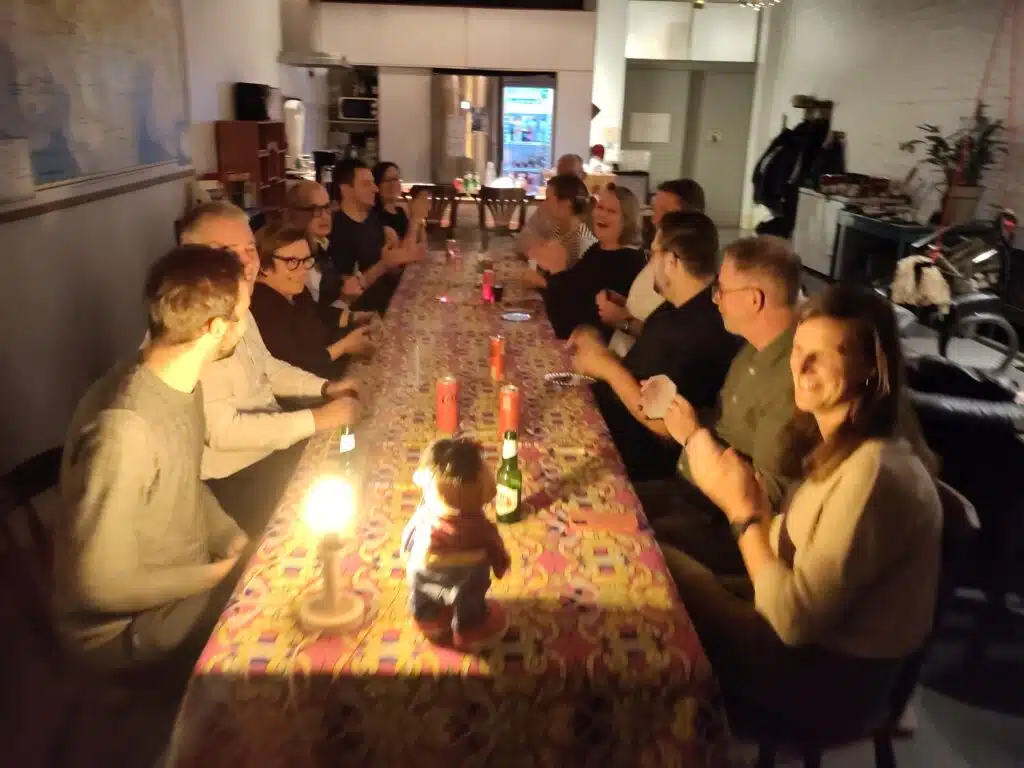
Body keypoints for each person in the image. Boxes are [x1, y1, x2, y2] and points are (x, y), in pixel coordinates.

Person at [662, 285, 942, 734]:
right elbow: (791, 550)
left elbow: (792, 622)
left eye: (823, 356)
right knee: (656, 565)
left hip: (827, 682)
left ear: (872, 367)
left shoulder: (872, 472)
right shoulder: (841, 442)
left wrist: (744, 514)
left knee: (655, 576)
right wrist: (751, 503)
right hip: (814, 644)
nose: (801, 367)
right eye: (798, 349)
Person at [55, 246, 251, 679]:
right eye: (242, 316)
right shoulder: (125, 429)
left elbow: (185, 483)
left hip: (184, 583)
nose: (244, 327)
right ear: (216, 328)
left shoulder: (178, 382)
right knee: (283, 623)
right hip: (131, 630)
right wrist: (215, 575)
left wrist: (231, 537)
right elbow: (98, 586)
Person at [179, 202, 362, 536]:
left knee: (361, 460)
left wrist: (325, 388)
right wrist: (319, 418)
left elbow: (269, 368)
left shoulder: (238, 303)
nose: (246, 262)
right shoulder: (191, 328)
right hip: (237, 479)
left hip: (275, 450)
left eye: (249, 249)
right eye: (227, 252)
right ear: (191, 259)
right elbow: (224, 433)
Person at [636, 236, 803, 575]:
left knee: (630, 541)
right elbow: (721, 423)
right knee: (609, 499)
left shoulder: (794, 378)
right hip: (690, 490)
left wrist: (692, 436)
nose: (714, 298)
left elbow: (764, 499)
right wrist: (675, 411)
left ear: (754, 299)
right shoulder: (750, 350)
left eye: (721, 289)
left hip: (728, 528)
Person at [570, 212, 742, 481]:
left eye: (653, 256)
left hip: (632, 457)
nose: (650, 265)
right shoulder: (685, 306)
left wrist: (606, 366)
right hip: (614, 419)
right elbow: (656, 348)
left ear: (672, 261)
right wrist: (618, 329)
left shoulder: (699, 328)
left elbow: (663, 423)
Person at [402, 438, 511, 649]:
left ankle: (428, 618)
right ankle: (469, 628)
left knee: (422, 590)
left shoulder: (424, 517)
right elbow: (496, 549)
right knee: (470, 597)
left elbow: (407, 541)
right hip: (467, 582)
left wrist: (406, 554)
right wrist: (501, 565)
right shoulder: (482, 527)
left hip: (424, 574)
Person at [250, 223, 375, 380]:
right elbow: (293, 364)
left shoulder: (295, 290)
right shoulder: (261, 308)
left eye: (306, 260)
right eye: (292, 262)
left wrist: (353, 317)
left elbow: (316, 313)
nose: (304, 271)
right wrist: (344, 346)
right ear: (264, 266)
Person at [602, 178, 707, 357]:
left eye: (665, 212)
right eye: (654, 210)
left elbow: (669, 338)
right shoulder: (659, 250)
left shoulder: (685, 270)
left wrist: (624, 320)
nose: (654, 219)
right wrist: (625, 303)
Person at [535, 183, 646, 340]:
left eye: (611, 211)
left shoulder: (628, 261)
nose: (602, 214)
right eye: (600, 207)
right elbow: (571, 285)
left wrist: (556, 272)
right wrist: (551, 275)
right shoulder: (598, 248)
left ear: (627, 221)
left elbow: (582, 318)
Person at [327, 158, 421, 313]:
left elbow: (392, 270)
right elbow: (347, 295)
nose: (375, 189)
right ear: (346, 189)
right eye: (366, 184)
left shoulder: (372, 218)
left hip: (391, 300)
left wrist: (397, 258)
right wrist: (385, 264)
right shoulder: (337, 230)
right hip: (366, 313)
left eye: (373, 183)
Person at [284, 180, 361, 309]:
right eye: (315, 210)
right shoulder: (294, 259)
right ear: (294, 213)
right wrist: (345, 299)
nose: (324, 216)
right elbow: (312, 316)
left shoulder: (322, 244)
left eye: (326, 207)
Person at [519, 167, 596, 278]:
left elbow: (575, 285)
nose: (543, 204)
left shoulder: (582, 241)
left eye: (548, 199)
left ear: (566, 203)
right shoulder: (560, 229)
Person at [373, 161, 428, 247]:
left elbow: (420, 245)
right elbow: (402, 251)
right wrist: (414, 219)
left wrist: (420, 221)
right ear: (377, 185)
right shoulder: (375, 216)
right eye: (387, 180)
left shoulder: (400, 211)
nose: (393, 184)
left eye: (395, 179)